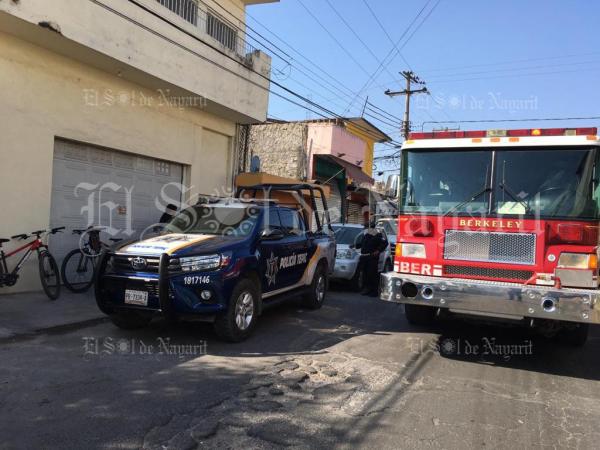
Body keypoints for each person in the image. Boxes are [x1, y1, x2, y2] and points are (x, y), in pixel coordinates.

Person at [359, 220, 388, 297]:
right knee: (365, 274)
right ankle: (367, 289)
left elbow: (385, 243)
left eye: (366, 226)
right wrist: (355, 245)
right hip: (364, 256)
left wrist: (378, 251)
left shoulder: (377, 234)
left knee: (372, 274)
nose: (364, 228)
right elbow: (362, 244)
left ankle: (374, 291)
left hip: (372, 257)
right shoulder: (366, 234)